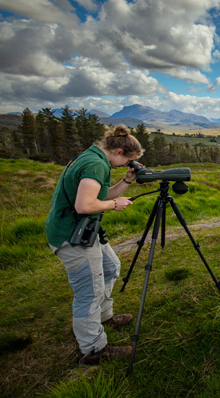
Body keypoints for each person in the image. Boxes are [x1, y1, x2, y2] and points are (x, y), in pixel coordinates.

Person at [45, 125, 144, 365]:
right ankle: (93, 349)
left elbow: (100, 196)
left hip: (83, 232)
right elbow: (85, 205)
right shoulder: (96, 164)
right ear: (119, 150)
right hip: (72, 235)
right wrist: (114, 205)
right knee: (89, 292)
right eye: (127, 161)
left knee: (110, 267)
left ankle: (103, 316)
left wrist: (126, 181)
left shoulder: (94, 156)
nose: (125, 165)